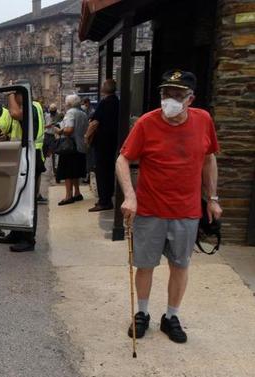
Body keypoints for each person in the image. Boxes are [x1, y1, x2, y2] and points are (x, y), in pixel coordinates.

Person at [117, 69, 222, 344]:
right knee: (145, 264)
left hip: (186, 210)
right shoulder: (146, 123)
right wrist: (130, 195)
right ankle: (142, 313)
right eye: (165, 94)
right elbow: (123, 159)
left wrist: (212, 199)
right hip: (150, 208)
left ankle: (171, 316)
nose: (169, 100)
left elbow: (209, 160)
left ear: (190, 99)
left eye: (177, 95)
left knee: (180, 265)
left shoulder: (203, 121)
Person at [0, 88, 46, 252]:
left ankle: (28, 238)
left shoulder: (29, 106)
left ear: (20, 95)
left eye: (14, 96)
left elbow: (15, 114)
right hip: (27, 154)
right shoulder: (36, 105)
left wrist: (9, 94)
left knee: (27, 198)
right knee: (19, 193)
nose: (13, 101)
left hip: (31, 155)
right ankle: (17, 233)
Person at [85, 79, 120, 212]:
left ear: (105, 88)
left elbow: (94, 123)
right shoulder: (116, 102)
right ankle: (108, 197)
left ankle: (104, 201)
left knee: (101, 172)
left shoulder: (104, 103)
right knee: (109, 170)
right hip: (112, 142)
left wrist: (86, 137)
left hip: (102, 142)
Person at [54, 94, 88, 205]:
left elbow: (69, 130)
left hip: (70, 147)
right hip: (80, 146)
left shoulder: (70, 113)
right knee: (75, 172)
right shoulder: (83, 113)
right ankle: (77, 193)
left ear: (68, 104)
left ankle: (68, 196)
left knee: (67, 172)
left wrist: (59, 131)